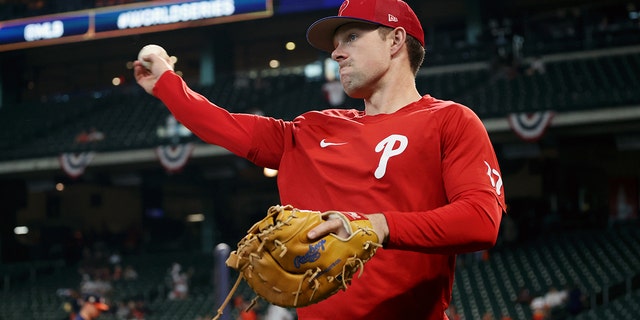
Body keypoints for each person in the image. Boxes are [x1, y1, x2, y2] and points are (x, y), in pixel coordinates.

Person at [134, 0, 506, 318]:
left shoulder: (449, 120)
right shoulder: (311, 130)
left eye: (352, 37)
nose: (337, 51)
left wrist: (377, 226)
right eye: (336, 43)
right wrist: (166, 82)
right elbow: (226, 126)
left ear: (395, 40)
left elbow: (480, 221)